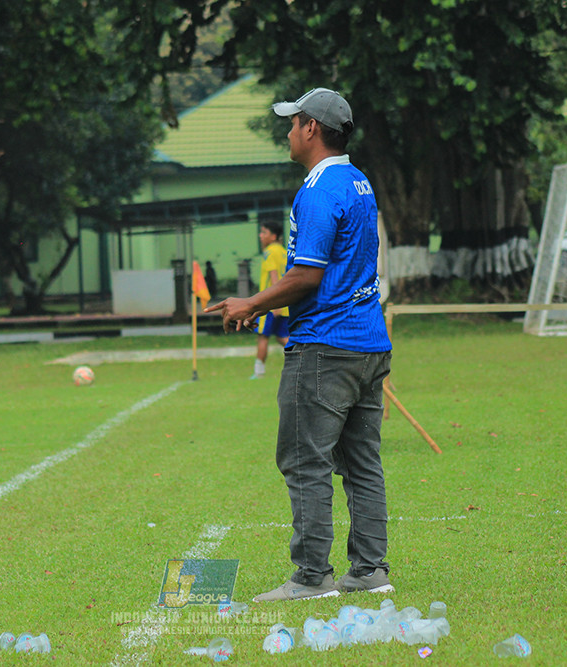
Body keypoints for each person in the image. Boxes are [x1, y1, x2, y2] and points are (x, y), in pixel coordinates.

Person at [206, 88, 393, 601]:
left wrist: (250, 304)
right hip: (369, 344)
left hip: (324, 348)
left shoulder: (318, 189)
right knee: (362, 462)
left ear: (311, 129)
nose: (288, 132)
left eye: (293, 123)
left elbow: (307, 276)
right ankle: (370, 570)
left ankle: (312, 577)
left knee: (304, 460)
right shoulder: (359, 182)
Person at [251, 221, 289, 379]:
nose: (260, 236)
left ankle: (258, 371)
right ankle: (303, 359)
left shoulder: (269, 252)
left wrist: (275, 302)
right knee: (282, 336)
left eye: (264, 232)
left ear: (273, 236)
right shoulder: (283, 251)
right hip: (285, 304)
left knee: (263, 336)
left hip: (270, 304)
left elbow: (274, 276)